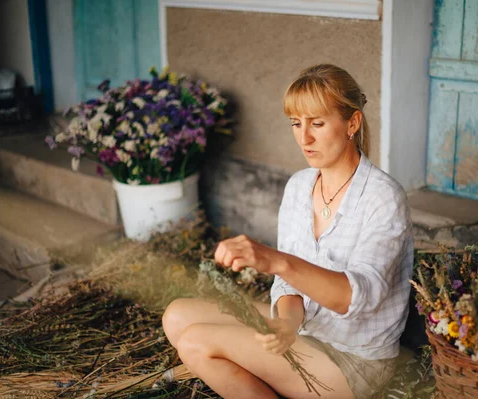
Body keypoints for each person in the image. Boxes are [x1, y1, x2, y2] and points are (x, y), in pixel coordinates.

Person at [162, 64, 413, 399]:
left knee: (196, 343)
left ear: (352, 122)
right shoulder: (300, 186)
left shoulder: (384, 198)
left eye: (318, 123)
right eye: (297, 123)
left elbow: (356, 298)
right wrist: (286, 324)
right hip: (307, 328)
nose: (304, 137)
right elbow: (288, 285)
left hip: (354, 360)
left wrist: (276, 261)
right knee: (177, 316)